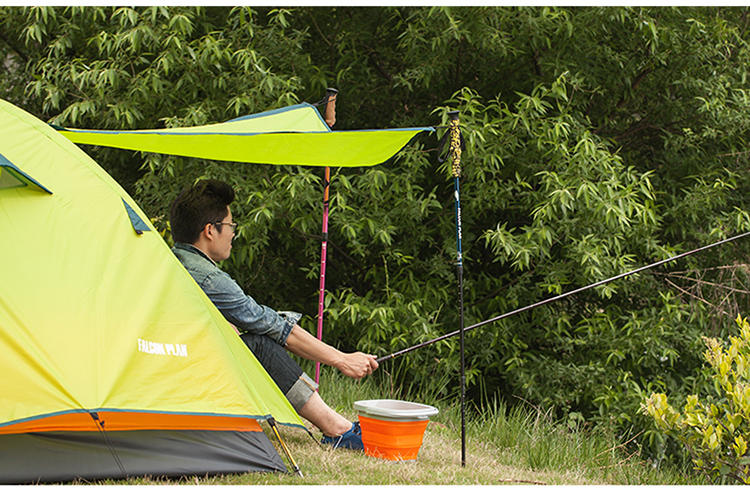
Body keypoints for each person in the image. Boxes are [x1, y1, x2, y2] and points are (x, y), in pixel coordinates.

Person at [169, 179, 378, 450]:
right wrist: (341, 359)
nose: (233, 233)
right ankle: (337, 429)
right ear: (210, 230)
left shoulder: (171, 260)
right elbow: (274, 327)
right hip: (189, 378)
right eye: (231, 226)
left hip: (170, 367)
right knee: (260, 345)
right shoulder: (208, 277)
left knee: (243, 334)